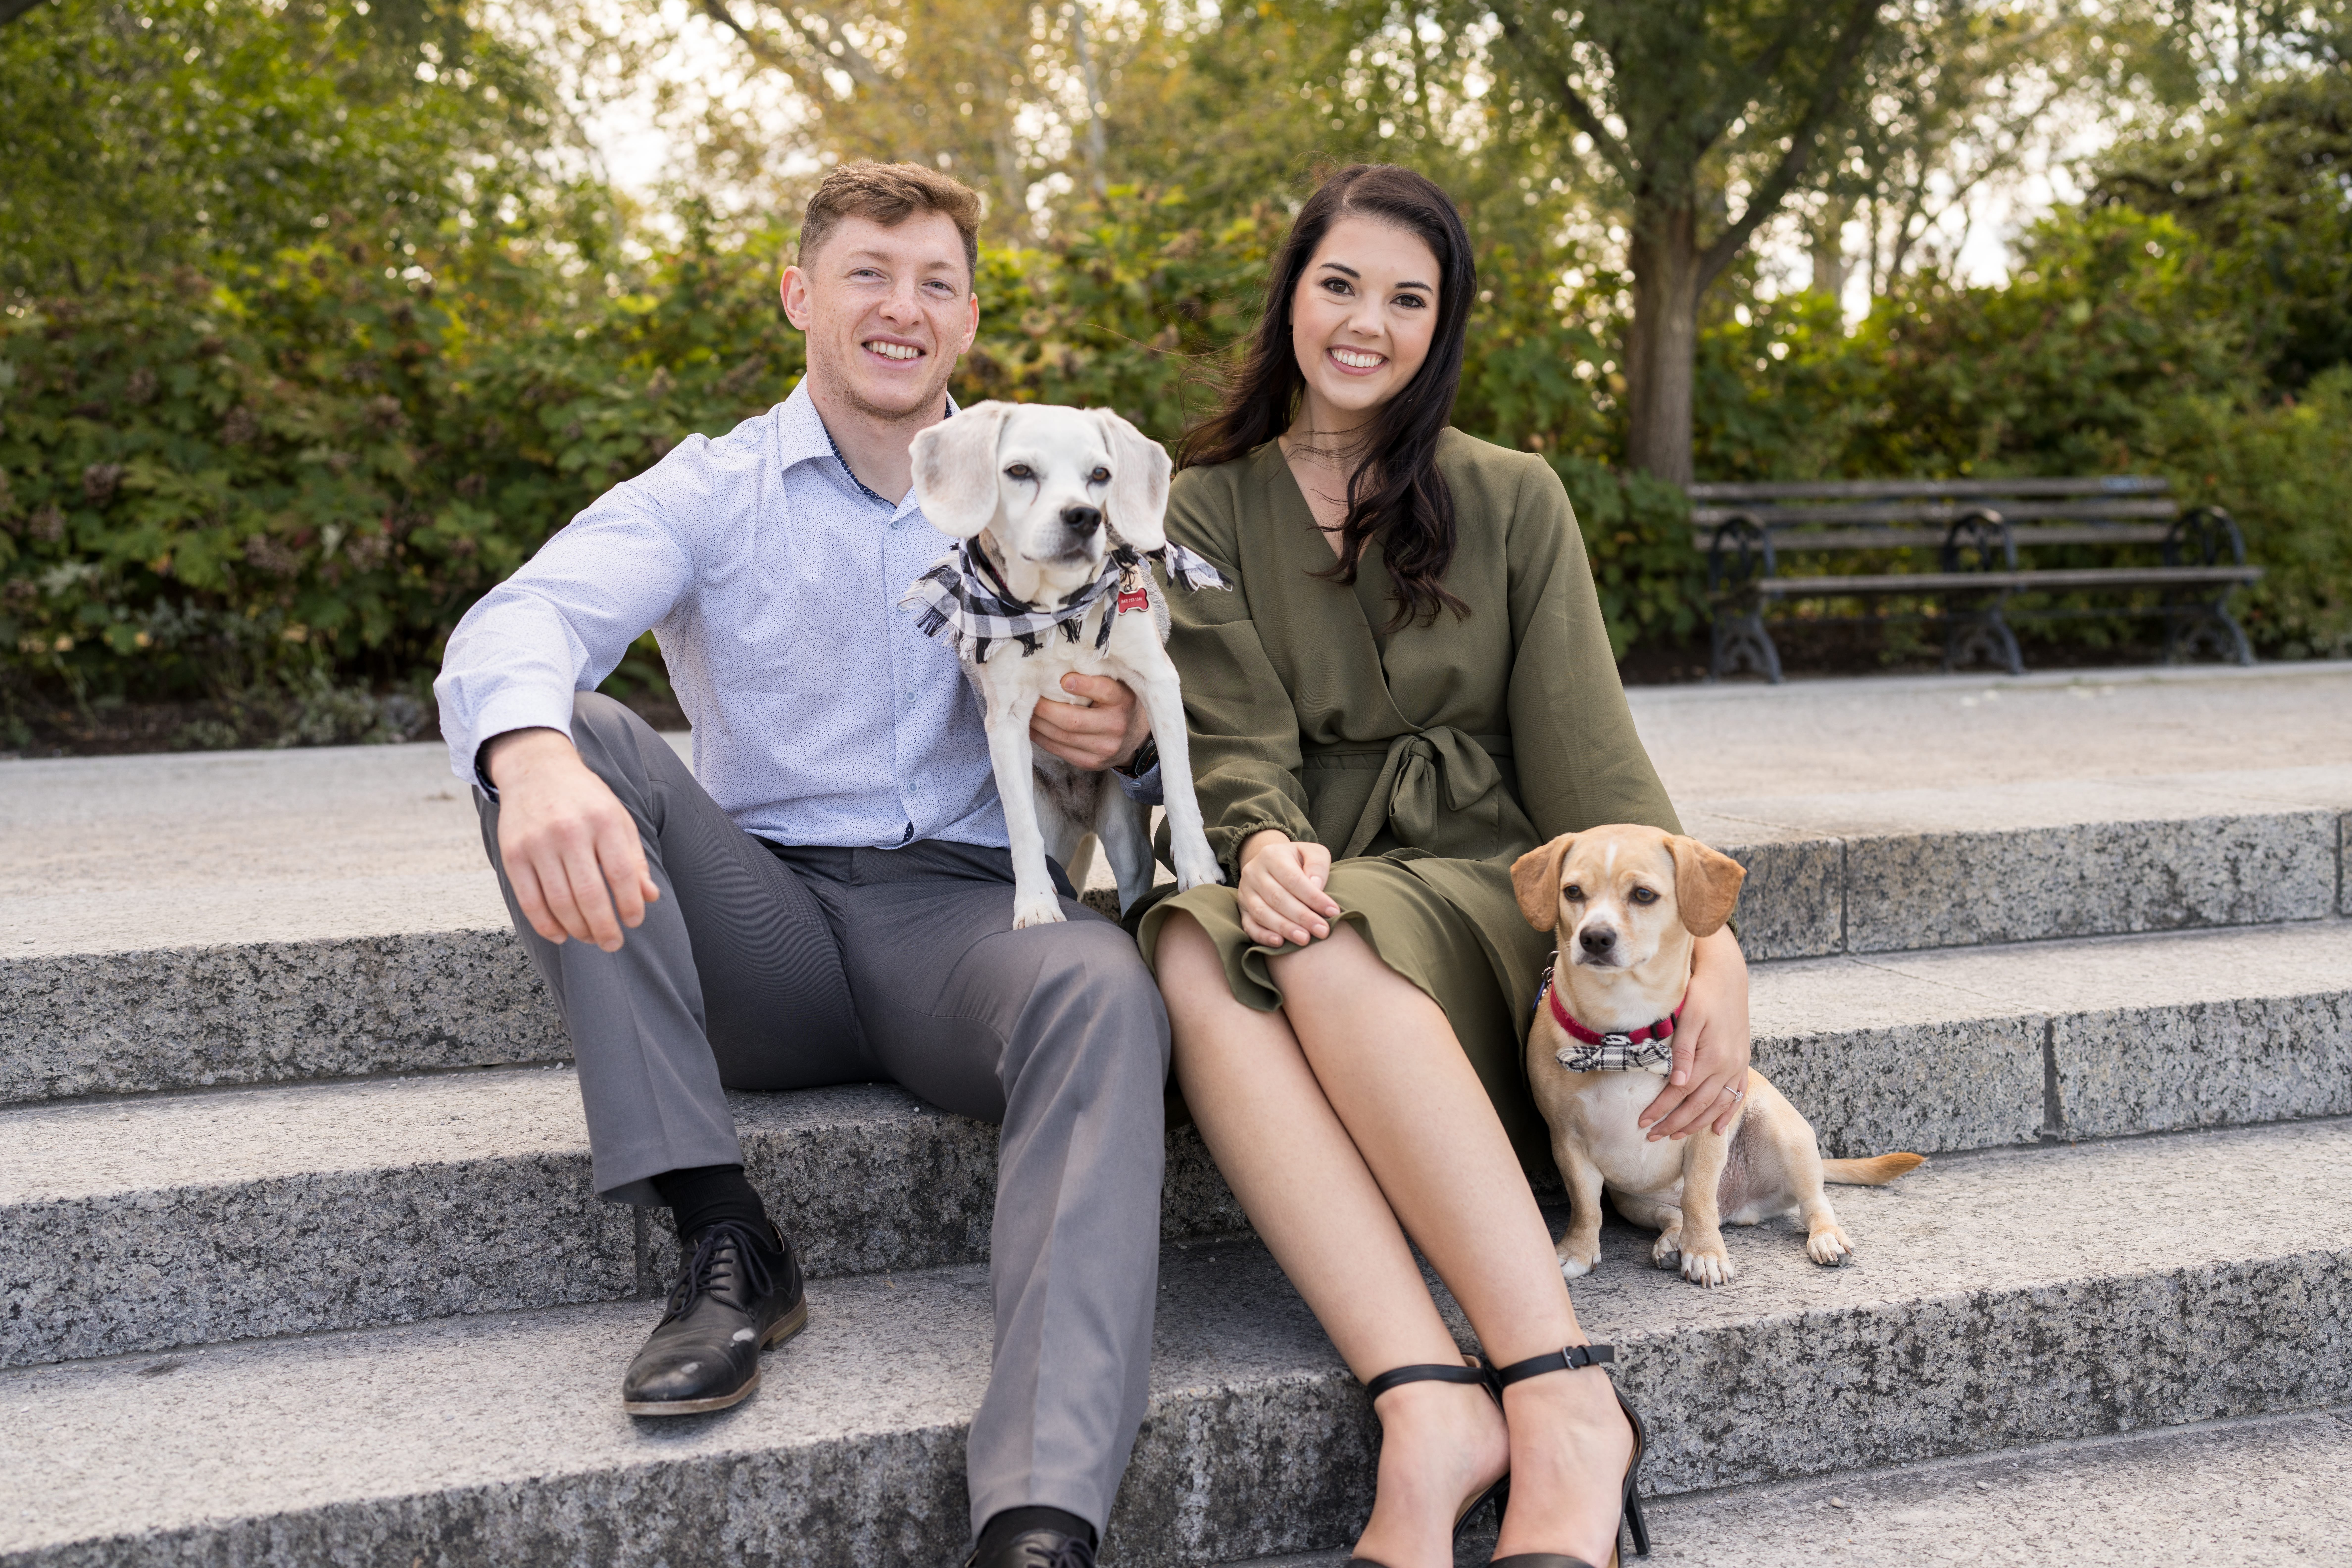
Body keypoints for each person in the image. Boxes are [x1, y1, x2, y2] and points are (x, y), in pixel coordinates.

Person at [434, 162, 1170, 1568]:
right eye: (869, 275)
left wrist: (1122, 734)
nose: (904, 309)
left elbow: (1161, 697)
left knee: (1102, 983)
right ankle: (725, 1239)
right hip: (756, 923)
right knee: (569, 730)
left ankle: (1043, 1509)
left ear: (967, 319)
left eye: (937, 283)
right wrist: (528, 763)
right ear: (800, 295)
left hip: (964, 923)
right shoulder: (710, 490)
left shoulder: (1055, 477)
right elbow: (517, 622)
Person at [1134, 165, 1754, 1568]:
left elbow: (1598, 777)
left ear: (1443, 325)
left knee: (1323, 928)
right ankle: (1429, 1406)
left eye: (1408, 299)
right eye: (1340, 283)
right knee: (1186, 933)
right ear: (1293, 291)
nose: (1367, 322)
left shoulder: (1515, 496)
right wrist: (1266, 842)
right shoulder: (1204, 507)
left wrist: (1712, 952)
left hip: (1492, 897)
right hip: (1330, 887)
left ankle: (1564, 1398)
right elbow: (1229, 740)